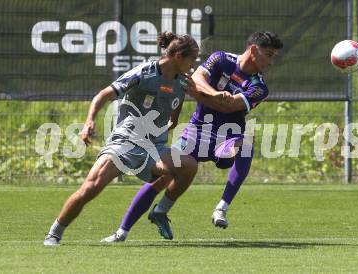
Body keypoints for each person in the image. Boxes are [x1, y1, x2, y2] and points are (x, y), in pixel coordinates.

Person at [103, 31, 283, 241]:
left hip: (227, 138)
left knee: (244, 147)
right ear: (253, 50)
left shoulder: (260, 87)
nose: (271, 61)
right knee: (162, 178)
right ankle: (125, 230)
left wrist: (200, 94)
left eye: (274, 56)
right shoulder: (221, 58)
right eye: (269, 54)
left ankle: (221, 208)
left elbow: (229, 107)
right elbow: (196, 77)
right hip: (196, 132)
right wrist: (214, 94)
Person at [43, 32, 200, 246]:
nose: (194, 65)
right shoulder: (143, 73)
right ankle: (55, 232)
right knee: (90, 188)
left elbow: (174, 115)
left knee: (188, 165)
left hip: (154, 148)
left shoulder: (182, 84)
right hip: (125, 142)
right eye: (192, 59)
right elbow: (103, 95)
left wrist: (165, 126)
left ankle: (160, 211)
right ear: (179, 56)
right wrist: (89, 121)